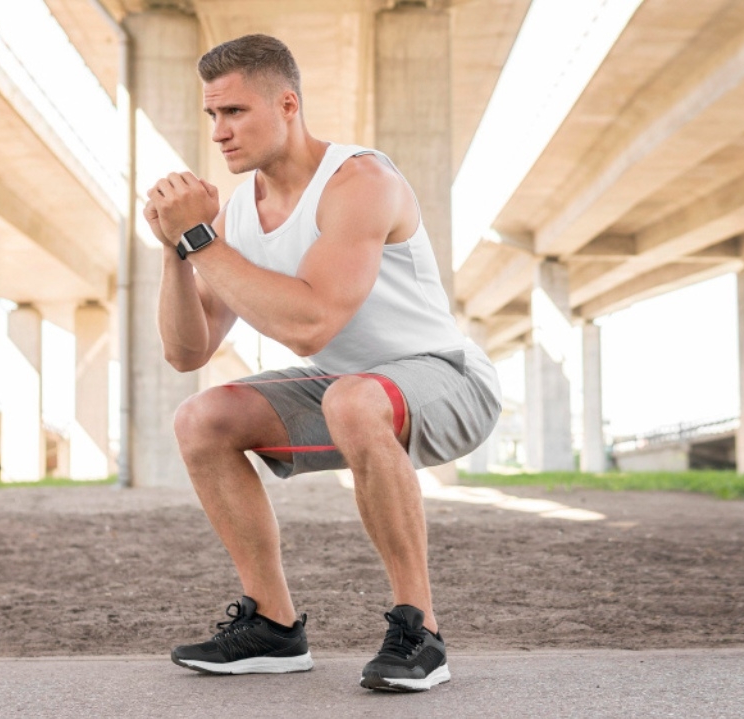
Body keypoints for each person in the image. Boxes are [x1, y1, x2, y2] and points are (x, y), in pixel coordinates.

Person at [141, 33, 499, 693]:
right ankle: (273, 626)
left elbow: (311, 323)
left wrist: (199, 237)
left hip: (449, 380)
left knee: (353, 398)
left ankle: (421, 630)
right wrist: (175, 249)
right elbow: (187, 351)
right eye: (212, 115)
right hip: (348, 390)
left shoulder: (360, 181)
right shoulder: (240, 215)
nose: (219, 132)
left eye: (236, 112)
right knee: (202, 417)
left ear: (287, 105)